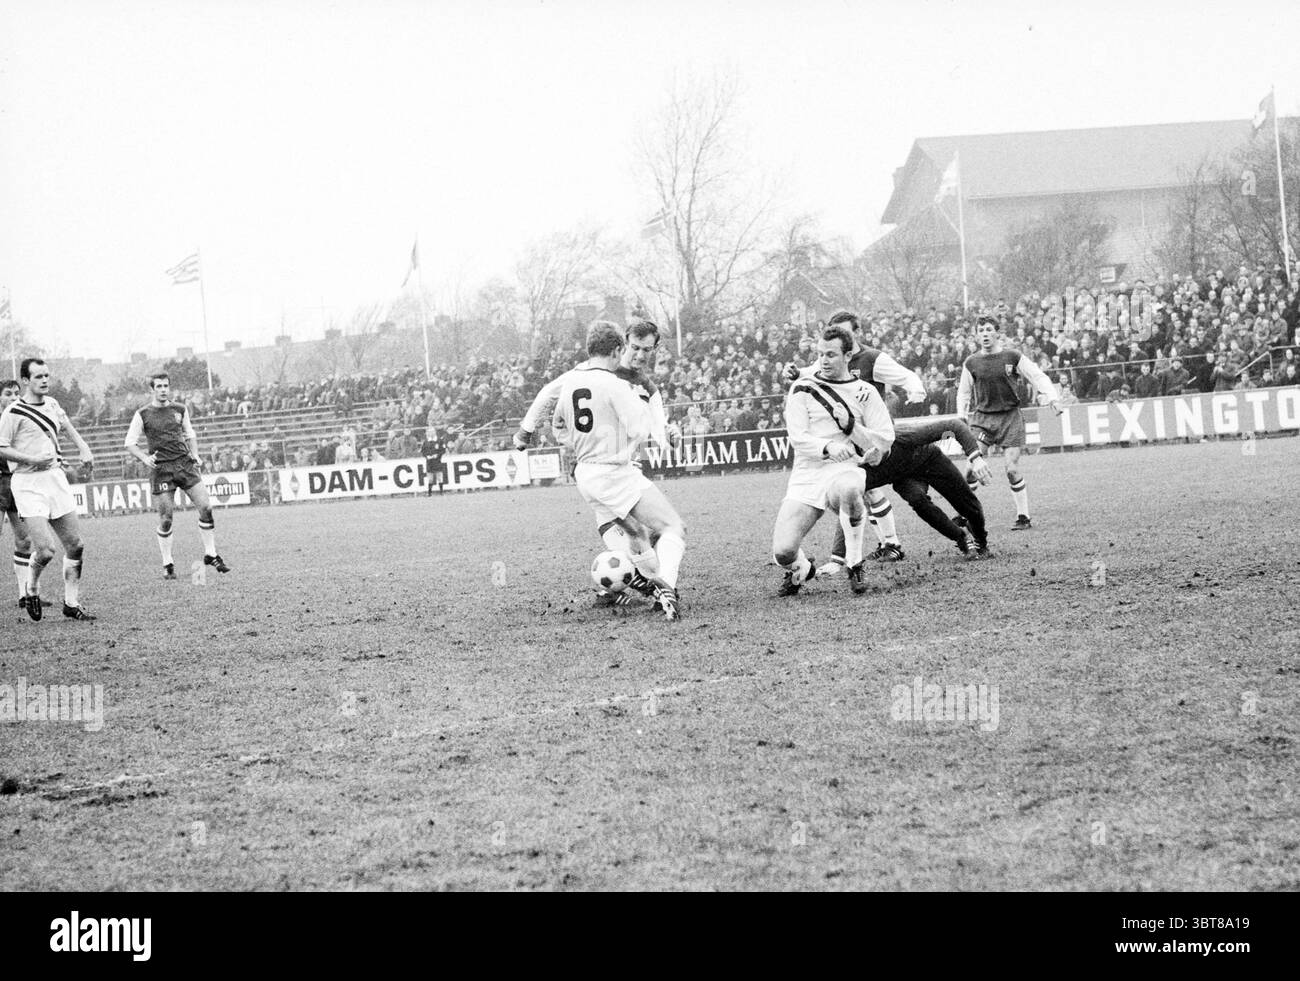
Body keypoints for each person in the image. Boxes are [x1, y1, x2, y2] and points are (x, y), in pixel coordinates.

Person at [515, 320, 681, 609]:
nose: (641, 355)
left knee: (640, 535)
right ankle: (659, 588)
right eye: (635, 347)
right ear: (622, 345)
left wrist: (670, 436)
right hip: (609, 469)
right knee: (661, 530)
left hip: (613, 471)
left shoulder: (647, 387)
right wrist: (527, 430)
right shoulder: (594, 374)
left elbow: (658, 431)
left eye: (648, 350)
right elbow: (547, 395)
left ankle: (619, 586)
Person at [786, 310, 925, 564]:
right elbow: (812, 374)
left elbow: (904, 375)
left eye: (846, 331)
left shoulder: (873, 358)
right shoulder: (830, 358)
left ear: (856, 334)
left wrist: (916, 389)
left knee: (866, 492)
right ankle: (874, 549)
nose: (841, 336)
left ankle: (882, 547)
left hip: (869, 437)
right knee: (862, 493)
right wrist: (796, 374)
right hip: (844, 437)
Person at [771, 324, 894, 596]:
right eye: (820, 354)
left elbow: (885, 438)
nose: (823, 361)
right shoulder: (802, 387)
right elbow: (797, 437)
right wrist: (828, 446)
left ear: (848, 356)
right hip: (808, 472)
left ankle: (854, 563)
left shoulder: (865, 392)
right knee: (783, 551)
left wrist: (856, 433)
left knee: (850, 489)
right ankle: (801, 568)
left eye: (831, 355)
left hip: (845, 469)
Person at [0, 358, 96, 620]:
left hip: (54, 478)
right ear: (26, 381)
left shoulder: (53, 404)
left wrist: (83, 447)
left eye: (46, 376)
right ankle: (31, 588)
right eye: (38, 376)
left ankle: (72, 603)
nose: (44, 380)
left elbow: (67, 428)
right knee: (45, 550)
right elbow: (1, 447)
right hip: (27, 483)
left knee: (76, 544)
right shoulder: (14, 412)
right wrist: (31, 459)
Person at [957, 316, 1061, 530]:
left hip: (1009, 418)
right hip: (983, 419)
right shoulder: (971, 362)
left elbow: (1037, 376)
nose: (984, 334)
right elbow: (964, 392)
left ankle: (1023, 517)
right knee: (969, 469)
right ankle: (965, 514)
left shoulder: (1012, 356)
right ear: (977, 335)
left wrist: (1052, 397)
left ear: (997, 333)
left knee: (1011, 469)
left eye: (988, 329)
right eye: (980, 330)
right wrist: (961, 415)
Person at [124, 373, 231, 580]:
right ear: (152, 389)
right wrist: (145, 459)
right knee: (166, 519)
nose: (163, 389)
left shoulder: (180, 409)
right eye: (159, 386)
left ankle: (211, 554)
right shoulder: (143, 414)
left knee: (206, 508)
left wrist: (196, 454)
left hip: (185, 464)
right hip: (162, 469)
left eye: (166, 386)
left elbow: (190, 434)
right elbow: (130, 442)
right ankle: (168, 563)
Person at [0, 378, 53, 612]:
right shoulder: (5, 422)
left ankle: (24, 594)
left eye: (15, 394)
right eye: (8, 394)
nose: (13, 398)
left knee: (24, 539)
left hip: (17, 481)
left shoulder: (22, 419)